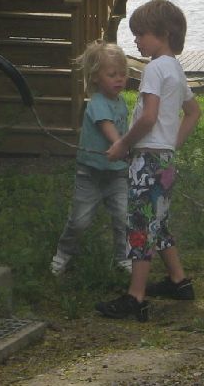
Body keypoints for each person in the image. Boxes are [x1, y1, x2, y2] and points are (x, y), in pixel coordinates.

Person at [96, 0, 201, 322]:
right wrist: (171, 145)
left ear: (164, 34)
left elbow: (148, 117)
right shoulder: (175, 68)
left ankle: (135, 297)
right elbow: (193, 112)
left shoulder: (155, 69)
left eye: (141, 34)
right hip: (164, 160)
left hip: (147, 161)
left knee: (141, 226)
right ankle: (179, 281)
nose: (137, 41)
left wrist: (124, 145)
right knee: (158, 220)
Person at [50, 41, 132, 277]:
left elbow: (124, 132)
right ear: (95, 77)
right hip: (90, 175)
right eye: (112, 74)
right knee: (79, 220)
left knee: (123, 216)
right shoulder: (96, 103)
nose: (119, 79)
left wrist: (127, 148)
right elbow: (110, 131)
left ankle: (123, 256)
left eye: (122, 74)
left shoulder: (121, 102)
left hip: (117, 173)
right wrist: (122, 146)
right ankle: (64, 252)